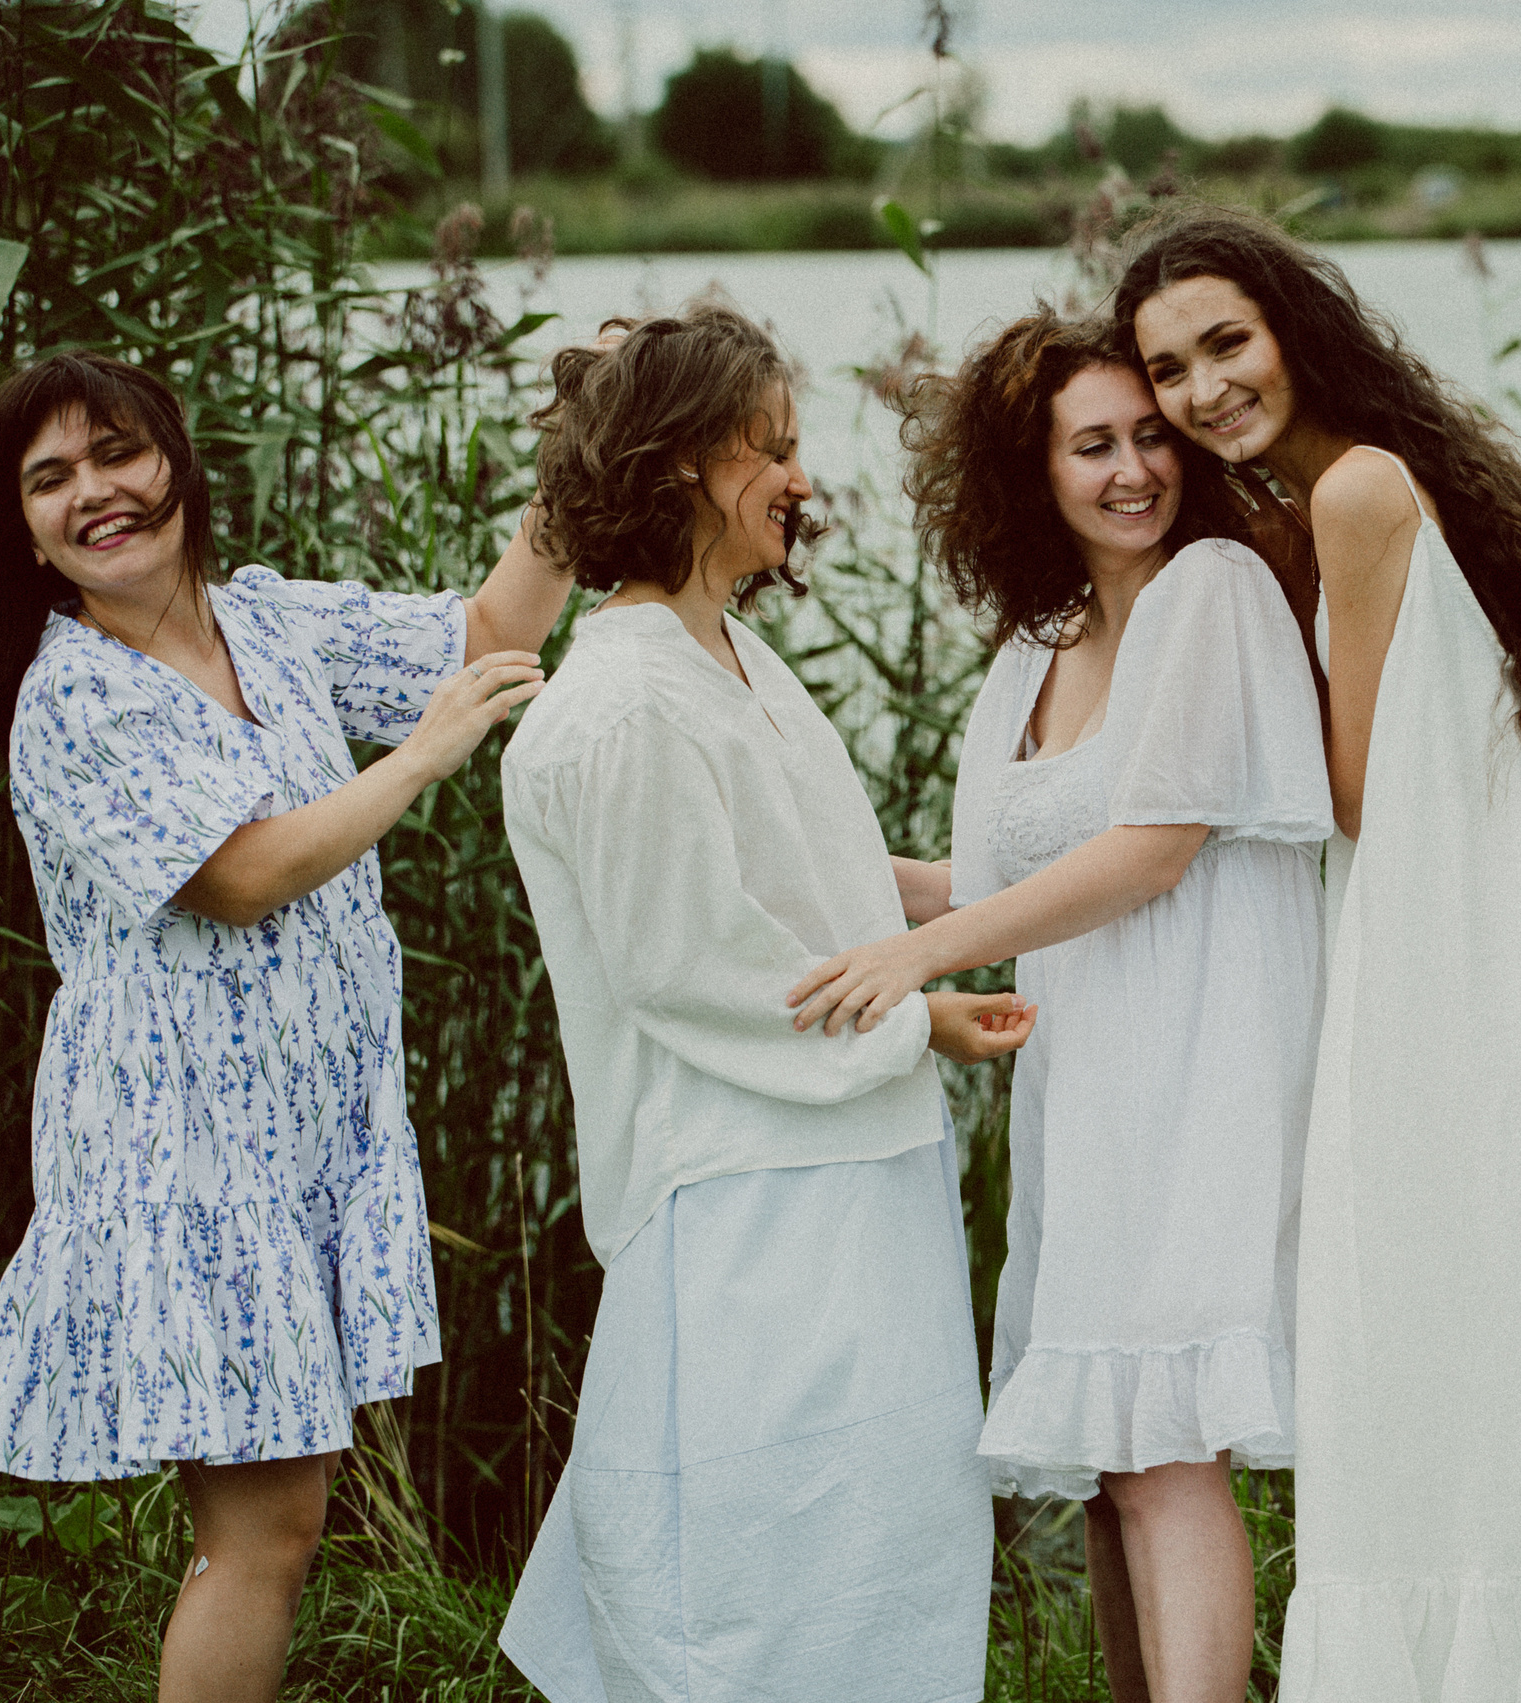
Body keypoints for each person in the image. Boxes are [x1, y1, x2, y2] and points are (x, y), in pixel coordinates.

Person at [1114, 207, 1521, 1700]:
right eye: (1171, 371)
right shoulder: (1389, 470)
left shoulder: (1354, 495)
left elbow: (1354, 791)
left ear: (1292, 329)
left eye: (1226, 343)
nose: (1204, 391)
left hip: (1492, 962)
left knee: (1428, 1328)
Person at [0, 349, 570, 1703]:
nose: (97, 493)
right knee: (259, 1532)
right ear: (24, 532)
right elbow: (241, 873)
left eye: (120, 453)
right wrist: (425, 754)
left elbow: (493, 635)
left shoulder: (264, 620)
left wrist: (582, 445)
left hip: (298, 1126)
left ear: (178, 462)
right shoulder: (74, 695)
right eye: (53, 479)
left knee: (273, 1525)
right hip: (185, 1147)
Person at [786, 308, 1330, 1703]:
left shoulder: (1214, 587)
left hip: (1200, 1064)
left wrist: (926, 957)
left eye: (1152, 435)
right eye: (1093, 446)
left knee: (1162, 1451)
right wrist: (798, 873)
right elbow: (976, 877)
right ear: (1031, 472)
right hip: (1087, 1088)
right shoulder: (1038, 644)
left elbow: (1156, 848)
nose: (1135, 468)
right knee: (1109, 1462)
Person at [493, 297, 1030, 1703]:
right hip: (746, 1193)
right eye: (769, 450)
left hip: (852, 1163)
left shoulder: (726, 654)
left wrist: (1006, 900)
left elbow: (814, 879)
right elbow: (698, 969)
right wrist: (927, 1016)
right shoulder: (614, 711)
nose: (801, 480)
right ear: (679, 465)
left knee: (879, 1534)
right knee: (752, 1555)